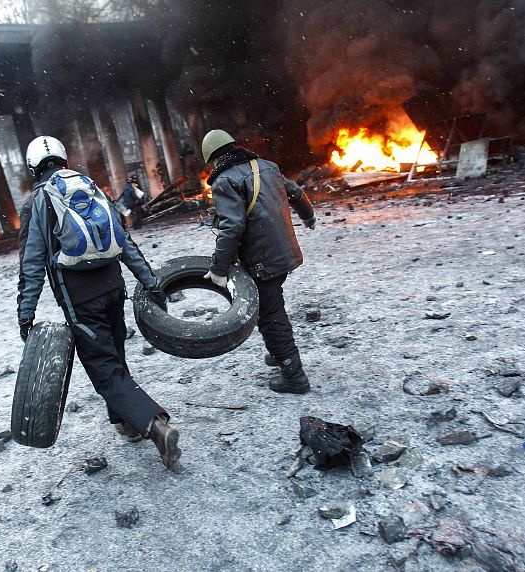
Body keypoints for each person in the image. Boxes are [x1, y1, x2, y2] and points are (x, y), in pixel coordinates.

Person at [17, 135, 183, 473]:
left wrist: (26, 314)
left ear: (33, 167)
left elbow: (32, 263)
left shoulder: (37, 201)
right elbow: (124, 241)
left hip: (80, 299)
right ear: (63, 158)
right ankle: (125, 421)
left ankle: (155, 425)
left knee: (104, 371)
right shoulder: (89, 187)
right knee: (115, 357)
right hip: (112, 288)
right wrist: (150, 282)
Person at [200, 129, 317, 394]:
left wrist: (218, 268)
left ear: (213, 158)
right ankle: (279, 354)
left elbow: (232, 227)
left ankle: (294, 375)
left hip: (262, 258)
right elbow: (295, 192)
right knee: (272, 306)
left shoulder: (224, 181)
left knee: (270, 316)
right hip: (284, 251)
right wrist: (308, 217)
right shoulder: (267, 166)